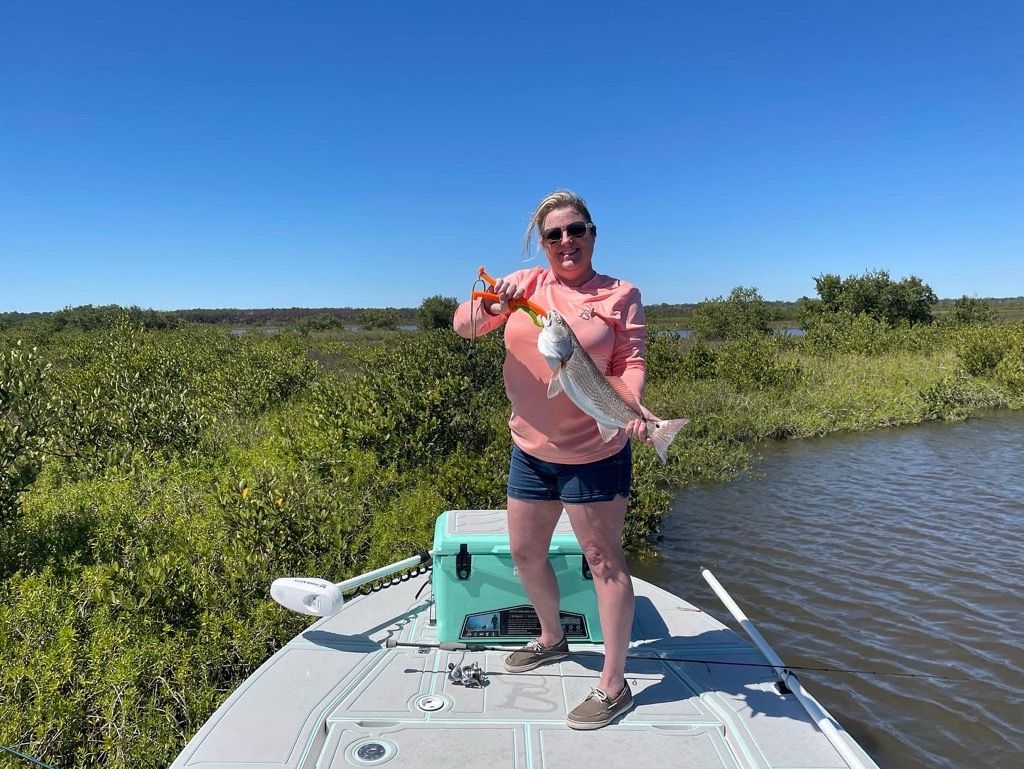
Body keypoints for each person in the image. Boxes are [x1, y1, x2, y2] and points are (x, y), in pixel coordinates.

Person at [453, 190, 652, 730]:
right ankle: (551, 637)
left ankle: (614, 685)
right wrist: (493, 303)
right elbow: (463, 326)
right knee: (524, 551)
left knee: (605, 562)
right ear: (541, 243)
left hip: (595, 451)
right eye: (554, 234)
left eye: (576, 230)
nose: (567, 241)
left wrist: (630, 406)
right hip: (530, 450)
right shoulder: (525, 287)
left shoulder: (620, 293)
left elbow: (630, 359)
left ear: (592, 233)